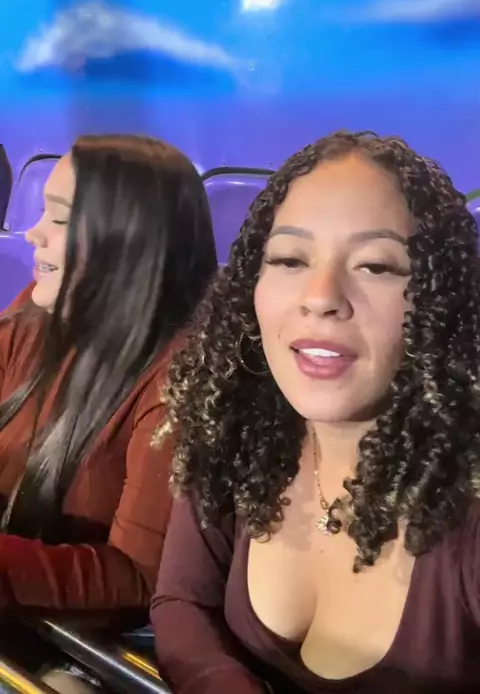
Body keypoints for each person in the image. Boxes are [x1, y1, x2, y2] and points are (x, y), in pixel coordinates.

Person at [151, 130, 480, 694]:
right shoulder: (234, 429)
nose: (321, 295)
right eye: (289, 259)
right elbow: (183, 603)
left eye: (376, 266)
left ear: (441, 300)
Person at [0, 133, 217, 692]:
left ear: (128, 241)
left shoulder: (180, 382)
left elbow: (137, 579)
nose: (33, 233)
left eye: (59, 219)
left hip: (86, 648)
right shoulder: (33, 315)